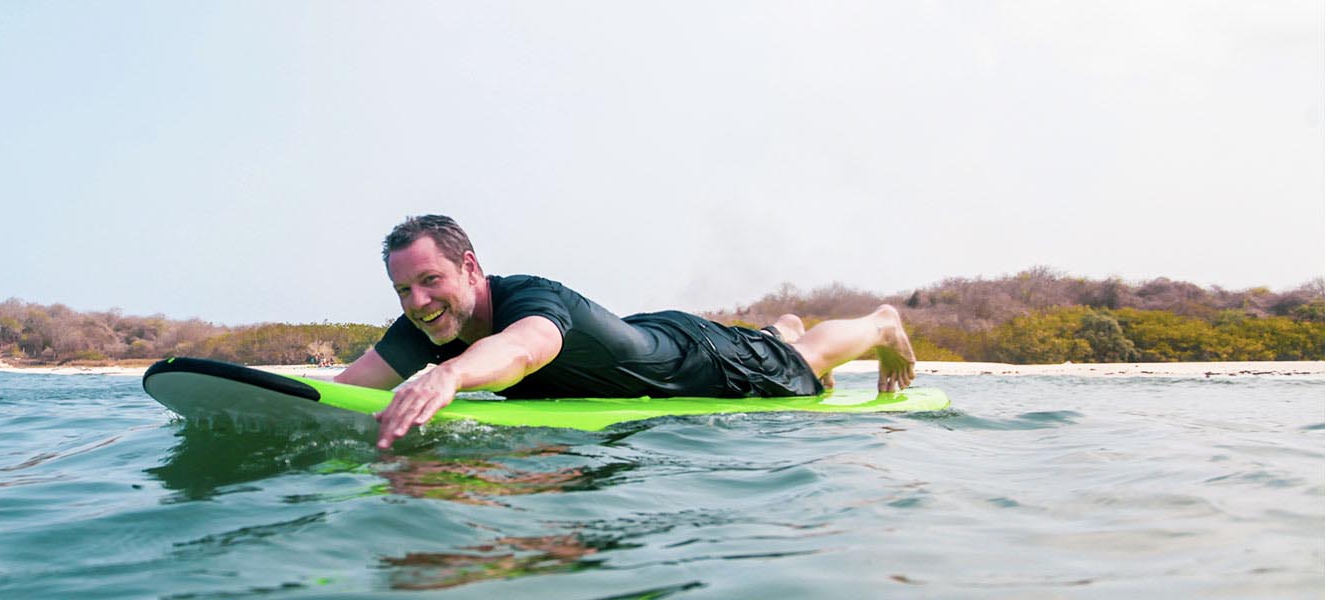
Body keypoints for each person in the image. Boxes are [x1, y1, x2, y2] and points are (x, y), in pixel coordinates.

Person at [336, 215, 916, 449]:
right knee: (777, 342)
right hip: (640, 336)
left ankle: (878, 324)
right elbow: (347, 388)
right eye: (403, 291)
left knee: (805, 365)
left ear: (468, 268)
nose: (418, 301)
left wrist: (451, 375)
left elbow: (520, 350)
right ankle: (777, 330)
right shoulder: (433, 321)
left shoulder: (531, 299)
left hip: (700, 362)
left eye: (429, 281)